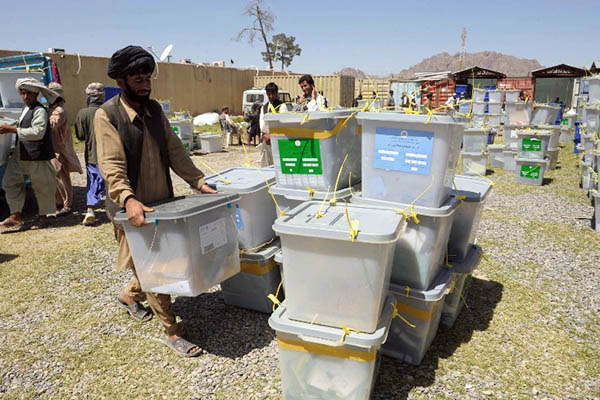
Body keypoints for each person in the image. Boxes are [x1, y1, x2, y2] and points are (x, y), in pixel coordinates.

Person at [94, 45, 217, 357]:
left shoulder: (155, 111)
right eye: (137, 78)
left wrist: (199, 181)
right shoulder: (107, 115)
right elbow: (111, 166)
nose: (145, 84)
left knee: (159, 264)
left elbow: (175, 151)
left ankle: (128, 295)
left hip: (162, 205)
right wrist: (128, 199)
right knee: (156, 268)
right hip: (132, 209)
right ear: (121, 81)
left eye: (147, 77)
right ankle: (172, 331)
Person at [0, 78, 59, 230]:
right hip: (21, 154)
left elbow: (38, 132)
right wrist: (8, 121)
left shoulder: (40, 110)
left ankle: (43, 217)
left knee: (42, 187)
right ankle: (15, 215)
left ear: (36, 93)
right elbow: (24, 123)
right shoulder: (26, 108)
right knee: (9, 182)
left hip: (37, 156)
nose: (26, 96)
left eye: (29, 93)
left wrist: (12, 129)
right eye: (23, 93)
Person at [47, 82, 83, 216]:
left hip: (60, 149)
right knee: (57, 177)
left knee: (62, 177)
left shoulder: (59, 111)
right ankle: (60, 202)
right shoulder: (53, 109)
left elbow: (51, 125)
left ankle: (67, 205)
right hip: (55, 148)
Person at [75, 82, 106, 226]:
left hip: (92, 154)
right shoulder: (109, 110)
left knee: (93, 181)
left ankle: (90, 209)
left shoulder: (82, 113)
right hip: (110, 154)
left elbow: (80, 136)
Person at [259, 82, 289, 167]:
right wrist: (265, 135)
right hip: (266, 139)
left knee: (278, 164)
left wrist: (272, 136)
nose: (271, 96)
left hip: (277, 139)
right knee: (266, 164)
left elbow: (283, 125)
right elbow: (262, 123)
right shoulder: (264, 107)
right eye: (269, 94)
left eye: (273, 94)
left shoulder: (282, 106)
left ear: (276, 93)